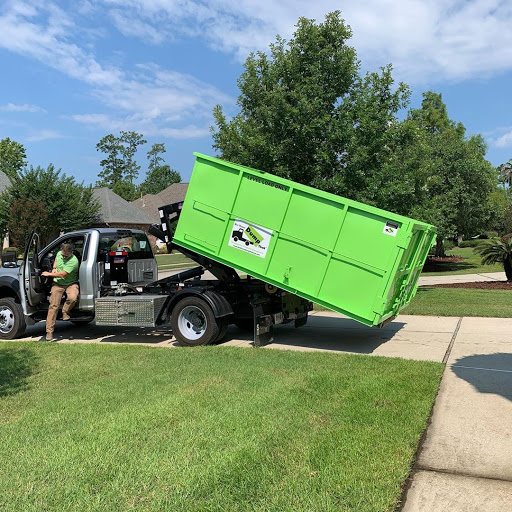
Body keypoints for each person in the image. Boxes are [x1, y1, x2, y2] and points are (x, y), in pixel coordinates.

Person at [41, 243, 79, 341]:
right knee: (53, 306)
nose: (63, 257)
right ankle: (49, 332)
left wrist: (49, 274)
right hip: (57, 284)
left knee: (73, 297)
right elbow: (57, 260)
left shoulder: (74, 261)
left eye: (66, 256)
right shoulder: (59, 254)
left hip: (70, 282)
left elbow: (63, 274)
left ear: (71, 253)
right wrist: (54, 268)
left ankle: (65, 311)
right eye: (62, 255)